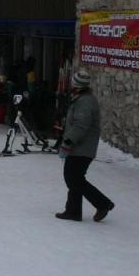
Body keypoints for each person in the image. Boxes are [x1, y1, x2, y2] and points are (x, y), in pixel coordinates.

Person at [56, 69, 114, 222]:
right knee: (74, 178)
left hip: (82, 147)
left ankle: (102, 203)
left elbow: (81, 125)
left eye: (73, 83)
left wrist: (68, 141)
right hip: (79, 147)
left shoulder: (86, 101)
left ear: (77, 85)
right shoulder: (80, 99)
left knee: (73, 178)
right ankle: (73, 211)